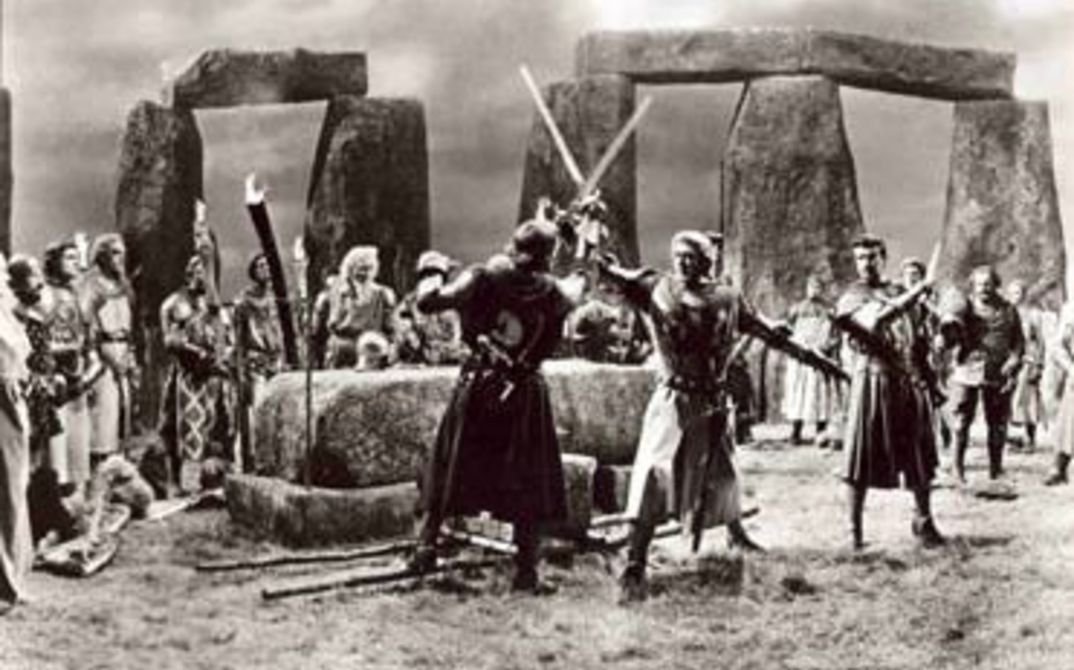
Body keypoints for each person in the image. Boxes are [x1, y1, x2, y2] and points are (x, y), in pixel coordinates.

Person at [600, 231, 845, 601]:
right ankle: (636, 560)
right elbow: (612, 274)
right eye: (678, 255)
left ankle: (736, 534)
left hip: (712, 399)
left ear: (708, 260)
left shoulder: (728, 297)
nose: (684, 262)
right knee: (653, 474)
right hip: (673, 398)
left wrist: (816, 360)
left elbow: (767, 331)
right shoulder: (656, 288)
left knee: (724, 472)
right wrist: (589, 245)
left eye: (692, 256)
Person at [408, 212, 592, 594]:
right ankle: (526, 571)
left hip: (480, 383)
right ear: (547, 256)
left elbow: (428, 301)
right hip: (524, 391)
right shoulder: (555, 292)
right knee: (527, 475)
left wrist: (433, 268)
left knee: (450, 461)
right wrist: (578, 247)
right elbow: (578, 284)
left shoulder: (482, 277)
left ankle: (426, 548)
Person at [835, 236, 944, 550]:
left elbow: (918, 334)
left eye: (872, 257)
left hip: (906, 380)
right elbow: (875, 321)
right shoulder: (851, 297)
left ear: (883, 258)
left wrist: (931, 318)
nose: (866, 264)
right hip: (872, 379)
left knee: (919, 455)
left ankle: (924, 522)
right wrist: (917, 291)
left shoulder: (897, 290)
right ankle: (853, 532)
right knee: (859, 457)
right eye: (860, 258)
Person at [940, 266, 1024, 482]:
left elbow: (1018, 341)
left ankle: (996, 470)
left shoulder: (1008, 310)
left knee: (997, 424)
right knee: (961, 421)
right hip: (967, 369)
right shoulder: (963, 307)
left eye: (988, 284)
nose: (983, 288)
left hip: (998, 371)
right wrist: (947, 334)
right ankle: (957, 469)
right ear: (972, 286)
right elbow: (949, 333)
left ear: (996, 285)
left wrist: (1014, 360)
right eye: (979, 284)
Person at [159, 256, 233, 493]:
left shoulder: (214, 304)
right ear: (190, 273)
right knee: (186, 427)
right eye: (202, 271)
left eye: (210, 272)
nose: (207, 277)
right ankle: (186, 482)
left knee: (218, 426)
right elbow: (170, 340)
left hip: (215, 377)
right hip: (189, 377)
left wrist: (224, 355)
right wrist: (195, 352)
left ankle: (214, 480)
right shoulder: (176, 303)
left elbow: (227, 335)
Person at [42, 240, 97, 495]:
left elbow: (83, 334)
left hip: (77, 373)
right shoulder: (45, 294)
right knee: (57, 442)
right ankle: (57, 494)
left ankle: (77, 494)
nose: (76, 263)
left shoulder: (74, 295)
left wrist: (87, 370)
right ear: (55, 262)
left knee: (78, 440)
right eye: (69, 258)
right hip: (55, 376)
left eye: (77, 257)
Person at [81, 234, 135, 467]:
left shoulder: (123, 285)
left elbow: (131, 325)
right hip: (101, 359)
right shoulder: (91, 286)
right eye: (113, 252)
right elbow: (87, 327)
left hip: (123, 353)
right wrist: (106, 356)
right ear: (101, 255)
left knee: (123, 414)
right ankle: (100, 468)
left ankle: (119, 466)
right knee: (104, 416)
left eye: (121, 252)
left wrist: (129, 354)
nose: (119, 258)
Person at [0, 252, 33, 614]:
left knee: (12, 489)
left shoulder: (7, 312)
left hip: (11, 406)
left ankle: (12, 577)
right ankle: (5, 582)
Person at [233, 253, 285, 467]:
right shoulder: (244, 301)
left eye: (268, 265)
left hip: (278, 360)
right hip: (255, 361)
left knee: (279, 410)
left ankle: (277, 457)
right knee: (258, 409)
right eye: (260, 266)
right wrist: (240, 367)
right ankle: (256, 459)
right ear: (253, 271)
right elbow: (239, 338)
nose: (265, 269)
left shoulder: (279, 297)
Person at [782, 274, 838, 445]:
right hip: (801, 355)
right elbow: (788, 330)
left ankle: (821, 432)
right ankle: (796, 431)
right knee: (798, 393)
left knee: (819, 393)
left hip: (820, 356)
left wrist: (826, 347)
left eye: (818, 287)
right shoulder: (796, 309)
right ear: (806, 289)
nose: (814, 290)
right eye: (811, 287)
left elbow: (835, 335)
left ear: (822, 290)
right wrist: (796, 345)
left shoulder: (829, 310)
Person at [325, 247, 397, 369]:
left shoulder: (383, 294)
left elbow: (390, 327)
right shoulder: (340, 293)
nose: (365, 273)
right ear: (350, 269)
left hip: (374, 344)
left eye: (369, 268)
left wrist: (389, 345)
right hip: (345, 345)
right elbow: (333, 323)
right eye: (361, 268)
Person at [393, 251, 467, 366]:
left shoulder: (450, 300)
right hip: (418, 358)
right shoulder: (409, 303)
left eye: (436, 274)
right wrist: (412, 339)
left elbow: (458, 333)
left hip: (449, 355)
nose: (432, 278)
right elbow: (401, 327)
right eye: (428, 274)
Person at [567, 279, 650, 364]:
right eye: (609, 290)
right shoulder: (590, 310)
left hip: (624, 364)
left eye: (620, 292)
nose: (615, 295)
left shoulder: (632, 311)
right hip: (595, 361)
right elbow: (576, 338)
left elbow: (643, 341)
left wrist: (636, 349)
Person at [1006, 280, 1046, 451]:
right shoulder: (1004, 314)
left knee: (1028, 400)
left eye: (1019, 292)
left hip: (1027, 362)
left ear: (1025, 294)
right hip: (1008, 362)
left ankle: (1030, 438)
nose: (1016, 296)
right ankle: (1012, 439)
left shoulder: (1033, 315)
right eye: (1013, 293)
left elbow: (1040, 342)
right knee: (1008, 400)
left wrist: (1039, 364)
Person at [1045, 301, 1074, 485]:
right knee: (1069, 421)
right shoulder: (1071, 310)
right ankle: (1059, 467)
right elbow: (1057, 346)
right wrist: (1071, 368)